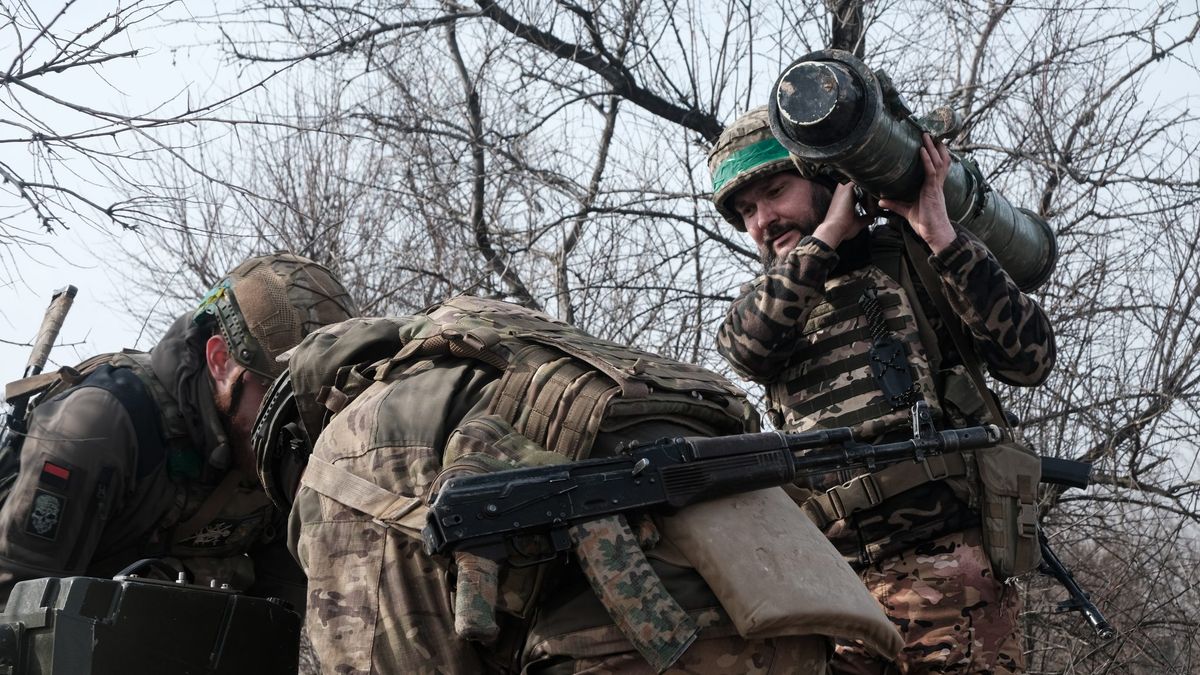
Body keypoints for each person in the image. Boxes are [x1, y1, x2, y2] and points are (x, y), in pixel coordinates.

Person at [257, 296, 904, 674]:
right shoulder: (502, 359)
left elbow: (386, 659)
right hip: (794, 616)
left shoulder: (348, 448)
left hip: (635, 645)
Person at [707, 107, 1056, 674]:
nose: (763, 220)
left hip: (944, 573)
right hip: (832, 590)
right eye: (746, 211)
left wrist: (942, 236)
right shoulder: (775, 305)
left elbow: (1030, 359)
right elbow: (745, 347)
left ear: (827, 181)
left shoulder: (916, 257)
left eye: (775, 192)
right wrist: (823, 241)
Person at [0, 253, 357, 608]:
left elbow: (279, 619)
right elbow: (17, 612)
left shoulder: (288, 450)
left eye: (315, 404)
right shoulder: (97, 427)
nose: (297, 424)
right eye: (275, 395)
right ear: (220, 362)